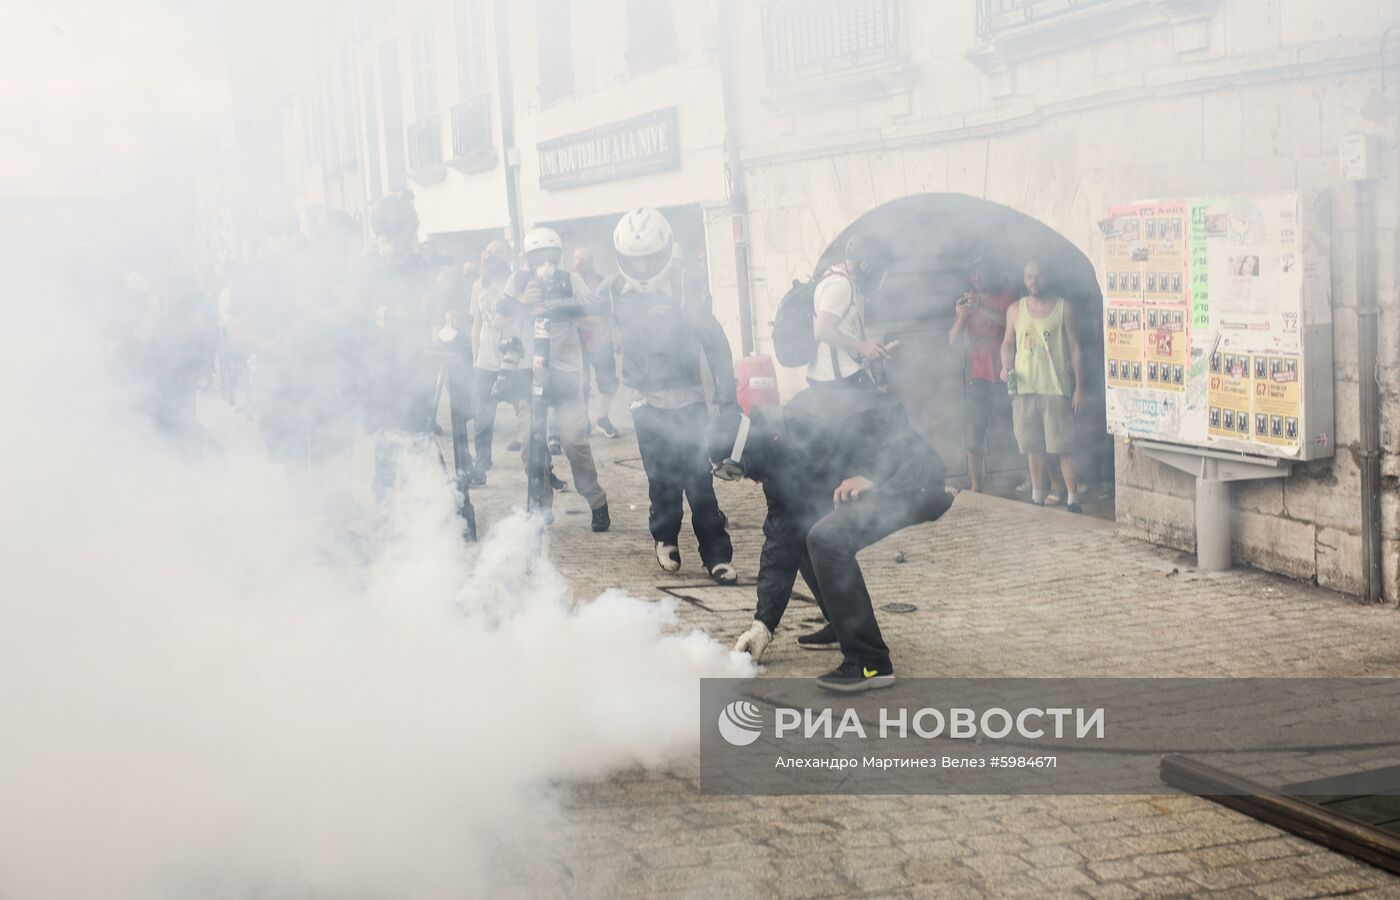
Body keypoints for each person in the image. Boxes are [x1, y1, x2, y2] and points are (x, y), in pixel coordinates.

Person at [707, 385, 951, 692]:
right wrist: (762, 625)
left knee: (826, 539)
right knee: (805, 533)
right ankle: (841, 624)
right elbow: (781, 540)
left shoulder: (808, 418)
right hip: (882, 484)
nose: (750, 481)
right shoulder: (774, 456)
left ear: (748, 450)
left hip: (914, 481)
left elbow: (888, 414)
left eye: (741, 472)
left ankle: (870, 662)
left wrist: (874, 474)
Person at [603, 207, 738, 584]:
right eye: (636, 261)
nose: (643, 268)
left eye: (650, 260)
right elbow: (583, 312)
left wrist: (728, 399)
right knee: (660, 475)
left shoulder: (685, 284)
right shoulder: (615, 289)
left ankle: (717, 555)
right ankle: (664, 537)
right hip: (644, 400)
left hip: (689, 397)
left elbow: (715, 342)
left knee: (699, 479)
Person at [501, 226, 610, 532]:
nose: (544, 262)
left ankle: (596, 500)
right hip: (529, 370)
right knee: (529, 444)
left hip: (565, 371)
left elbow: (593, 317)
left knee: (573, 441)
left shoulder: (570, 280)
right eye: (537, 256)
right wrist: (524, 302)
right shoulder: (518, 281)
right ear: (528, 259)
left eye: (549, 255)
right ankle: (541, 503)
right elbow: (498, 320)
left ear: (558, 256)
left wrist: (562, 309)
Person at [356, 191, 438, 501]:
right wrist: (384, 315)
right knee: (388, 437)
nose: (405, 241)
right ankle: (385, 497)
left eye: (409, 232)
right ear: (382, 234)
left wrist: (435, 310)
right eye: (398, 234)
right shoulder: (363, 268)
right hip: (379, 368)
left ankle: (419, 499)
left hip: (417, 365)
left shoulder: (421, 265)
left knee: (418, 435)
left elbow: (436, 305)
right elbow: (354, 315)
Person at [1000, 259, 1085, 513]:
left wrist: (1079, 386)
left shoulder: (1063, 308)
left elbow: (1075, 347)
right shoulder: (1014, 309)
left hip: (1056, 386)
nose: (1033, 281)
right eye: (1028, 276)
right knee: (1032, 445)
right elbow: (1007, 343)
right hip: (1024, 387)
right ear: (1023, 279)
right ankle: (1037, 495)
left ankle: (1073, 498)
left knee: (1063, 446)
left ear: (1047, 277)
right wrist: (1006, 367)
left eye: (1037, 276)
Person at [948, 259, 1016, 493]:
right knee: (973, 432)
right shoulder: (967, 304)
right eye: (974, 274)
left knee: (1020, 428)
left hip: (1007, 371)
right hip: (978, 374)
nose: (978, 279)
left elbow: (1009, 324)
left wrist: (980, 308)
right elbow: (953, 340)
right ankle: (976, 485)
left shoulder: (1006, 298)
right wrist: (963, 315)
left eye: (982, 273)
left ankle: (1033, 477)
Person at [808, 235, 896, 388]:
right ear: (864, 264)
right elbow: (822, 331)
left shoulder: (836, 277)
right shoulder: (840, 284)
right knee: (891, 410)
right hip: (837, 380)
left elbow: (842, 330)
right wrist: (860, 346)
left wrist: (869, 350)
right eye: (874, 267)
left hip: (838, 376)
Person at [468, 240, 519, 485]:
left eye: (498, 251)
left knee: (527, 414)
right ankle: (481, 464)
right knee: (482, 417)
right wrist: (475, 355)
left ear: (508, 256)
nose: (492, 256)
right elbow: (476, 324)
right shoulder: (478, 285)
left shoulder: (516, 282)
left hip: (516, 361)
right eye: (488, 252)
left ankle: (542, 470)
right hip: (486, 363)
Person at [573, 247, 621, 439]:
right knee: (581, 385)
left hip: (601, 339)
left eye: (584, 258)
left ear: (592, 262)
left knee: (608, 380)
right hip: (577, 343)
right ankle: (583, 422)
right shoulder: (567, 282)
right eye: (576, 258)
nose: (580, 262)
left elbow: (609, 312)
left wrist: (615, 337)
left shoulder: (601, 282)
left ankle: (603, 418)